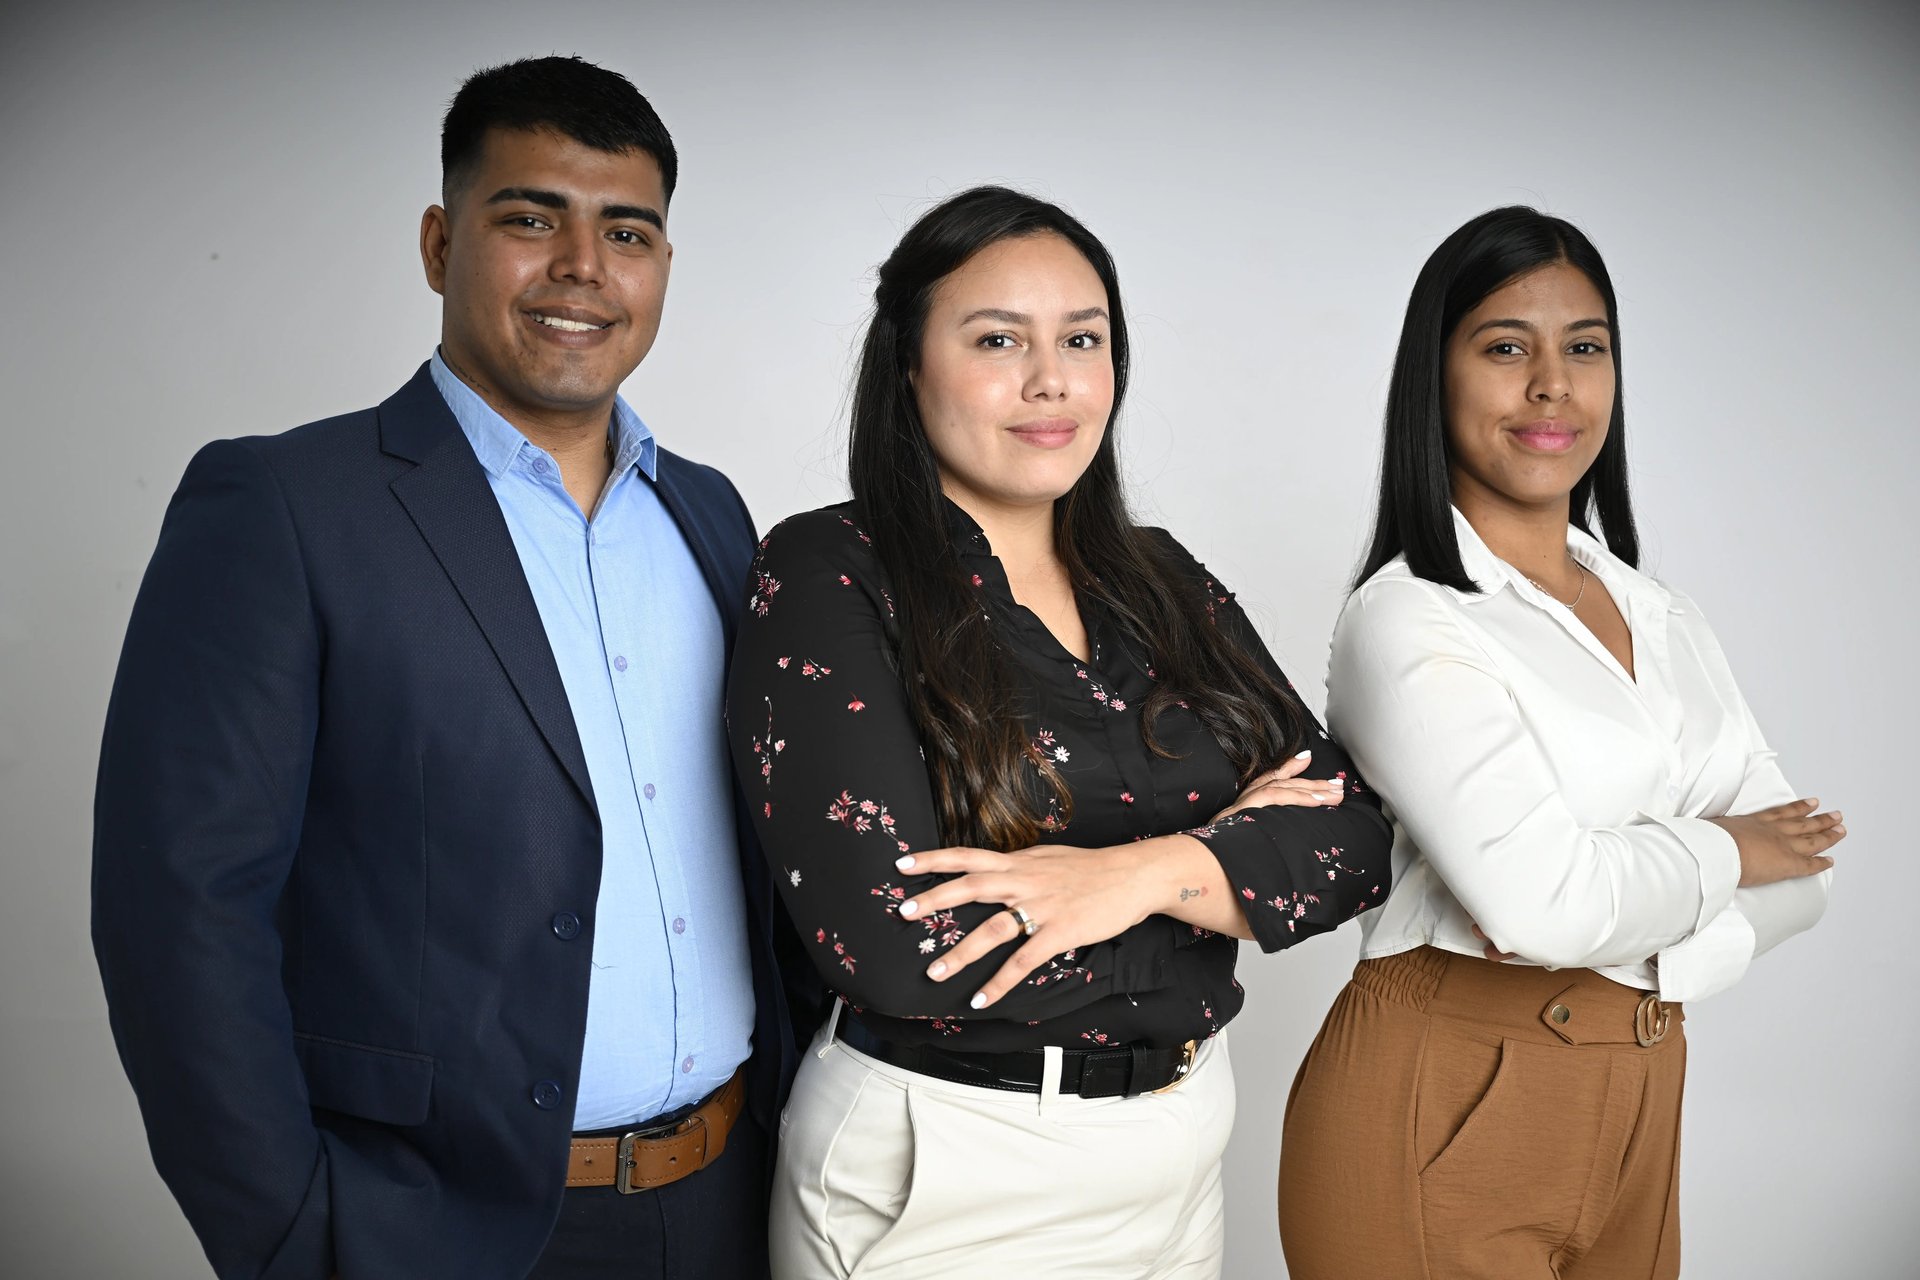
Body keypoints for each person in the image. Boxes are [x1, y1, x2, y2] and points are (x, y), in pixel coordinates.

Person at [92, 56, 802, 1280]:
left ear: (662, 269)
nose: (583, 264)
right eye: (531, 217)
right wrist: (294, 1236)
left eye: (625, 230)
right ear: (437, 242)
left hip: (735, 1195)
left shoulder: (714, 515)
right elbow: (180, 912)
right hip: (439, 1227)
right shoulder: (286, 506)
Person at [725, 185, 1394, 1279]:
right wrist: (1222, 875)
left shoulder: (1163, 575)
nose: (1051, 379)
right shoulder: (826, 573)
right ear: (908, 367)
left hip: (1181, 1142)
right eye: (998, 339)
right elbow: (896, 948)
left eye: (1082, 339)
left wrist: (1136, 873)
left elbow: (1357, 834)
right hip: (950, 1166)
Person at [1276, 206, 1841, 1278]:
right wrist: (1727, 850)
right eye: (1505, 347)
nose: (1554, 385)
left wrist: (1648, 941)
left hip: (1641, 1085)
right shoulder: (1410, 618)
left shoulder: (1664, 613)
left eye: (1585, 347)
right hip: (1447, 1089)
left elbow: (1805, 872)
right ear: (1433, 378)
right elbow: (1547, 905)